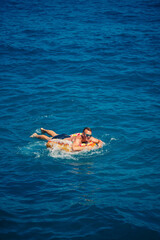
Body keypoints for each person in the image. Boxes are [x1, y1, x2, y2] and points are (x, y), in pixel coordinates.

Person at [30, 127, 103, 151]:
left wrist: (99, 144)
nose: (88, 137)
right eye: (87, 135)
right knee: (49, 138)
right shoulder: (78, 139)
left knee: (55, 134)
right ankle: (36, 135)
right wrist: (87, 147)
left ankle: (44, 130)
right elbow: (74, 148)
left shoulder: (90, 138)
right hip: (63, 139)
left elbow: (99, 141)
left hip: (67, 136)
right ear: (83, 134)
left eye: (90, 135)